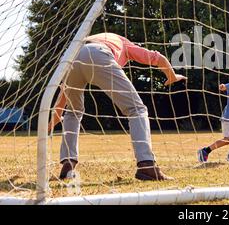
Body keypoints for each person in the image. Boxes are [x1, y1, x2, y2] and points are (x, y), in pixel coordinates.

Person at [48, 32, 186, 181]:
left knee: (73, 112)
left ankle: (68, 165)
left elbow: (63, 96)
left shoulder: (97, 37)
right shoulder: (124, 43)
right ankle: (146, 165)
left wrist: (51, 122)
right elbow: (157, 58)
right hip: (99, 54)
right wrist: (172, 76)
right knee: (137, 109)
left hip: (71, 57)